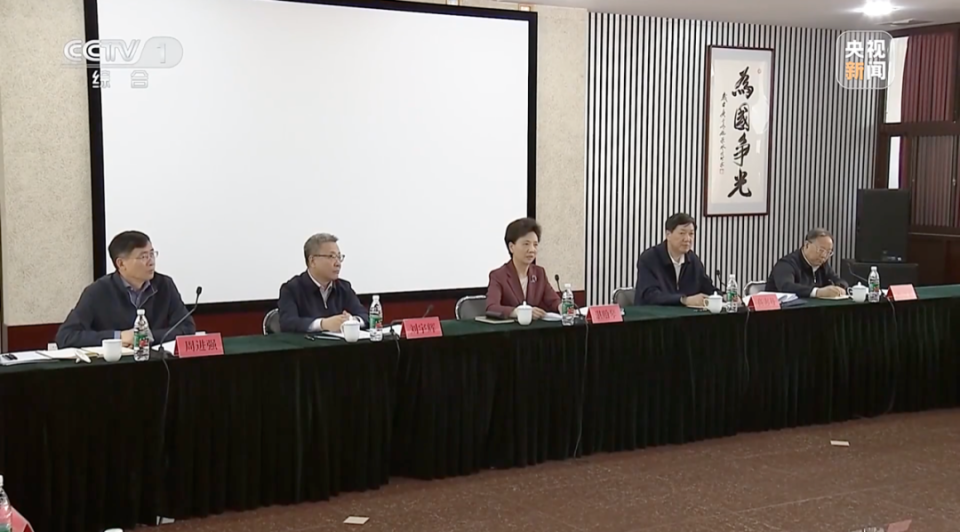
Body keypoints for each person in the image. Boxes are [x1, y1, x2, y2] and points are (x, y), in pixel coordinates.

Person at [55, 231, 196, 348]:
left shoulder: (164, 285)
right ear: (121, 264)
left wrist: (145, 337)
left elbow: (187, 328)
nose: (151, 261)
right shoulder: (98, 292)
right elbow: (66, 337)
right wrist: (119, 337)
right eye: (143, 256)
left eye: (152, 254)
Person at [278, 233, 368, 333]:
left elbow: (365, 316)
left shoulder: (344, 287)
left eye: (339, 257)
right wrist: (323, 324)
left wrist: (351, 321)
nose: (338, 263)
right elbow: (288, 323)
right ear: (312, 261)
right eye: (331, 256)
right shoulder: (291, 289)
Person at [634, 213, 719, 307]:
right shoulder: (649, 258)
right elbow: (650, 296)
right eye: (682, 233)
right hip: (652, 314)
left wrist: (724, 297)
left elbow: (708, 289)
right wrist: (684, 300)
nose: (687, 239)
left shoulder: (693, 260)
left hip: (686, 315)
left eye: (691, 234)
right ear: (668, 235)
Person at [485, 217, 561, 320]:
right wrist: (516, 312)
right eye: (526, 244)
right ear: (511, 247)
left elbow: (553, 301)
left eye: (535, 245)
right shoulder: (498, 276)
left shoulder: (539, 273)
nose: (532, 250)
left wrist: (562, 307)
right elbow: (491, 307)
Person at [765, 228, 848, 298]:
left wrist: (840, 288)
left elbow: (838, 280)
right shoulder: (787, 263)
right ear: (807, 245)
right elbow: (786, 287)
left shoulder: (822, 264)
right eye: (821, 250)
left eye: (828, 252)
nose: (824, 255)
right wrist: (817, 292)